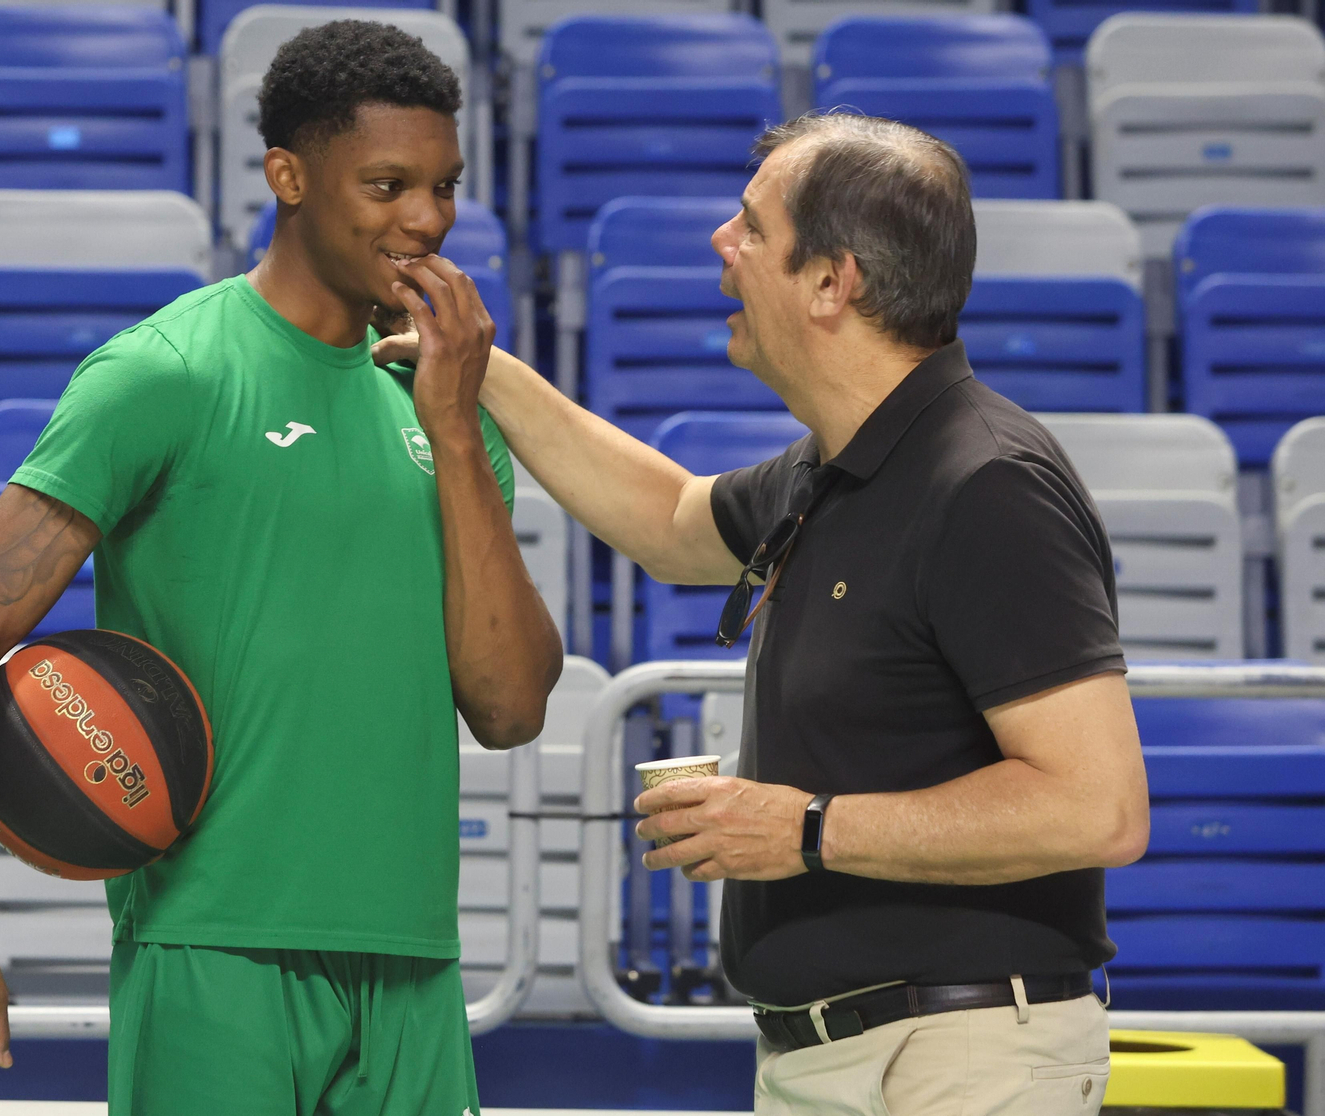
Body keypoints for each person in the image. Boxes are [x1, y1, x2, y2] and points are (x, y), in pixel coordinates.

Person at [383, 112, 1150, 1115]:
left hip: (959, 1056)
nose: (719, 244)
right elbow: (665, 518)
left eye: (750, 229)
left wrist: (810, 829)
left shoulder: (985, 484)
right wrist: (479, 366)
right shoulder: (836, 464)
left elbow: (1097, 808)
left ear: (833, 284)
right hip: (832, 1052)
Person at [0, 21, 562, 1115]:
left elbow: (509, 705)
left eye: (443, 185)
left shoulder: (442, 400)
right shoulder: (168, 372)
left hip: (411, 958)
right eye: (388, 183)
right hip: (213, 953)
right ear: (287, 176)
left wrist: (452, 430)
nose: (427, 219)